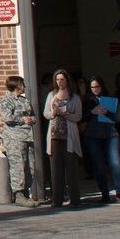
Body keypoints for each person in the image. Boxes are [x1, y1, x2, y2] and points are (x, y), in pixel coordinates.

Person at [84, 76, 120, 204]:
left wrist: (108, 112)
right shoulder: (87, 100)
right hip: (93, 136)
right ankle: (104, 193)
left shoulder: (110, 99)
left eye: (97, 87)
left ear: (102, 86)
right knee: (98, 166)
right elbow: (80, 117)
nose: (95, 89)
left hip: (111, 134)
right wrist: (92, 112)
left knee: (115, 163)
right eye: (92, 87)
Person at [41, 70, 84, 208]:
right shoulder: (51, 95)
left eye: (62, 80)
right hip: (54, 136)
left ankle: (75, 199)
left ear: (67, 81)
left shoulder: (74, 97)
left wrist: (67, 115)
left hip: (69, 135)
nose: (60, 82)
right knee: (55, 169)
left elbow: (78, 116)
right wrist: (54, 113)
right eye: (57, 80)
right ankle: (57, 199)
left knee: (71, 168)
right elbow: (46, 114)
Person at [0, 76, 36, 203]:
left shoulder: (24, 100)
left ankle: (26, 191)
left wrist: (30, 119)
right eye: (22, 84)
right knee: (18, 165)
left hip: (27, 136)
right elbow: (6, 117)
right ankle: (18, 194)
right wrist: (22, 119)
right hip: (14, 138)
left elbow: (33, 116)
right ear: (17, 86)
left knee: (29, 165)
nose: (24, 87)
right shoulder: (7, 100)